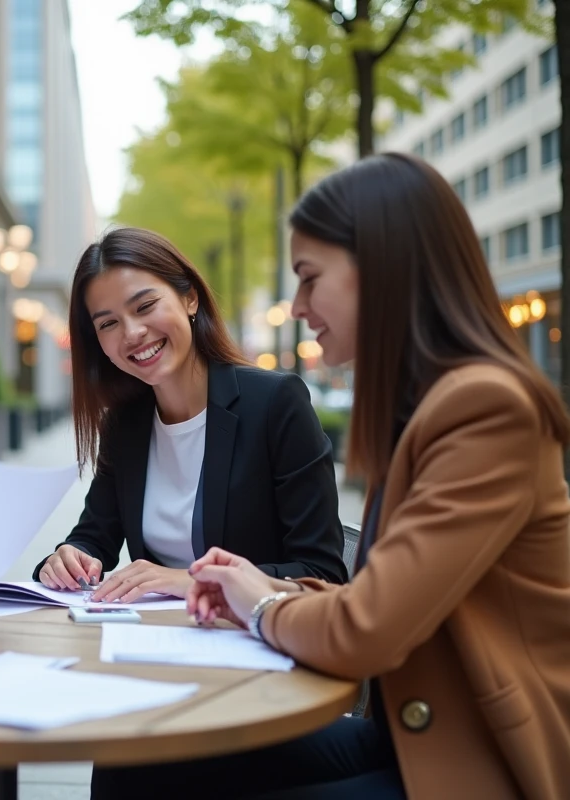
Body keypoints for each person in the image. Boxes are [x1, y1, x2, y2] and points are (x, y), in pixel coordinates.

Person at [97, 154, 570, 799]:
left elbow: (367, 628)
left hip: (481, 754)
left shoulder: (483, 408)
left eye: (310, 278)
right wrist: (252, 589)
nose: (296, 307)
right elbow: (373, 598)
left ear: (381, 271)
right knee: (138, 755)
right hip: (406, 733)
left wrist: (260, 606)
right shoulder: (426, 405)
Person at [34, 227, 346, 601]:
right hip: (154, 642)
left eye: (145, 306)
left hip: (254, 642)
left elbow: (322, 574)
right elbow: (94, 536)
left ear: (190, 299)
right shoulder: (124, 423)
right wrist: (68, 558)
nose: (132, 333)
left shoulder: (276, 403)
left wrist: (197, 581)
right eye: (108, 323)